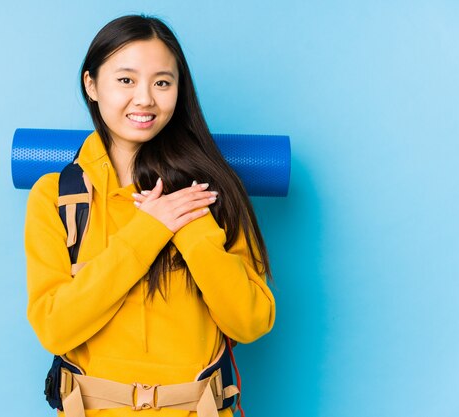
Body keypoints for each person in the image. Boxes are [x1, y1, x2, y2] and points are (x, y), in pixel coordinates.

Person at [25, 14, 275, 417]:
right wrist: (150, 230)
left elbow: (250, 322)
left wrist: (191, 228)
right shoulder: (55, 197)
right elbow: (55, 328)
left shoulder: (211, 192)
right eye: (126, 80)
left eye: (162, 82)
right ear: (91, 85)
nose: (144, 98)